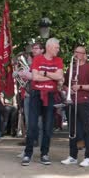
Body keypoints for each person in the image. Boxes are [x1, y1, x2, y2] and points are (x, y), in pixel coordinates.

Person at [21, 38, 64, 166]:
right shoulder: (38, 59)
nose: (58, 49)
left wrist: (44, 72)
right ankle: (27, 154)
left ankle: (44, 154)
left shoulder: (58, 60)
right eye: (56, 47)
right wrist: (52, 75)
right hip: (36, 95)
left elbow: (59, 77)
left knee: (48, 126)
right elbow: (35, 77)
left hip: (50, 95)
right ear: (49, 47)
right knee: (32, 126)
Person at [61, 45, 89, 167]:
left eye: (79, 52)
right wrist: (68, 90)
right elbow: (65, 85)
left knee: (87, 130)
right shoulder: (71, 68)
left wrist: (80, 87)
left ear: (84, 55)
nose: (76, 54)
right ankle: (73, 156)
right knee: (72, 130)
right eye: (75, 52)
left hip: (84, 102)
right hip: (72, 101)